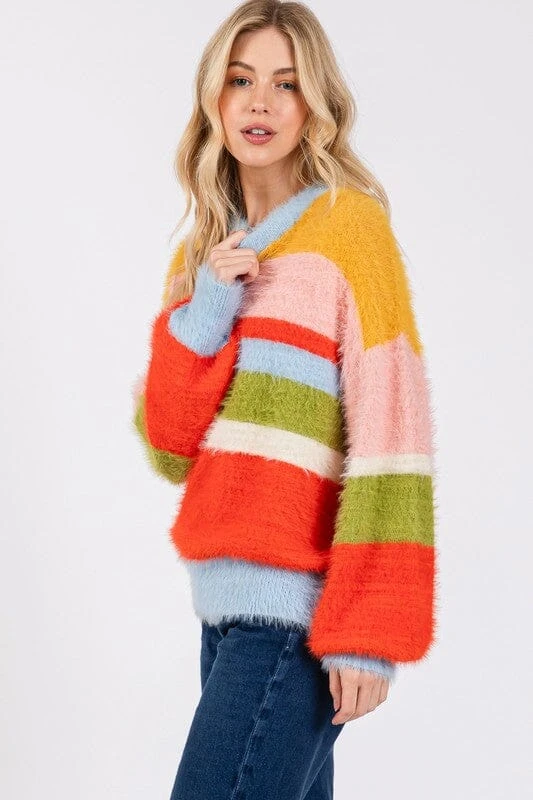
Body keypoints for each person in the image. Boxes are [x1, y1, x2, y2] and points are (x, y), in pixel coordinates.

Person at [132, 1, 437, 797]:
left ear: (314, 104)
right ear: (214, 97)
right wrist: (206, 312)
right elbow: (169, 448)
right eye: (240, 80)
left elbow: (391, 430)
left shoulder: (348, 231)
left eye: (286, 83)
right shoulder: (201, 253)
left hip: (297, 620)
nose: (259, 102)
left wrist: (367, 628)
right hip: (219, 612)